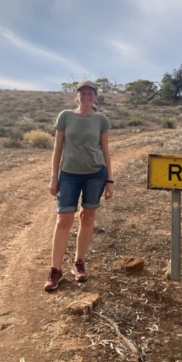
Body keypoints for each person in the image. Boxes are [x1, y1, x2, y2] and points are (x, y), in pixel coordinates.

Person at [44, 80, 114, 291]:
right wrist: (54, 177)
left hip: (95, 174)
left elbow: (105, 150)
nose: (86, 96)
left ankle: (78, 263)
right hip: (69, 175)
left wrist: (109, 180)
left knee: (87, 217)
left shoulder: (101, 119)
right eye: (82, 93)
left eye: (90, 93)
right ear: (77, 96)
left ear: (95, 96)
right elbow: (57, 150)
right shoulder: (65, 116)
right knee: (63, 220)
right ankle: (55, 270)